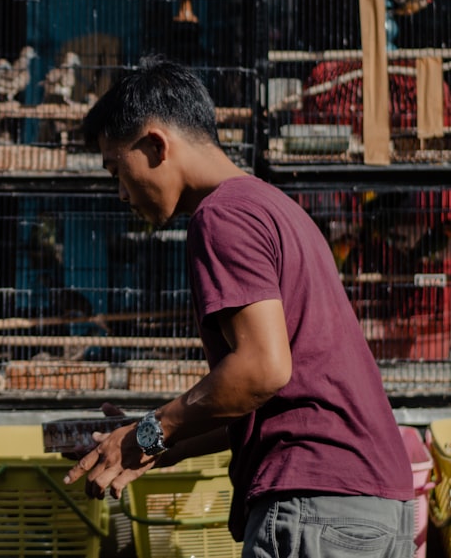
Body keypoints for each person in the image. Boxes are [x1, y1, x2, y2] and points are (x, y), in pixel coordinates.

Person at [64, 56, 416, 556]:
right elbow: (272, 401)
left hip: (315, 503)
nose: (120, 193)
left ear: (156, 144)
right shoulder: (270, 206)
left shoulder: (222, 216)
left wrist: (146, 432)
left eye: (117, 170)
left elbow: (260, 370)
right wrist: (153, 445)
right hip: (370, 503)